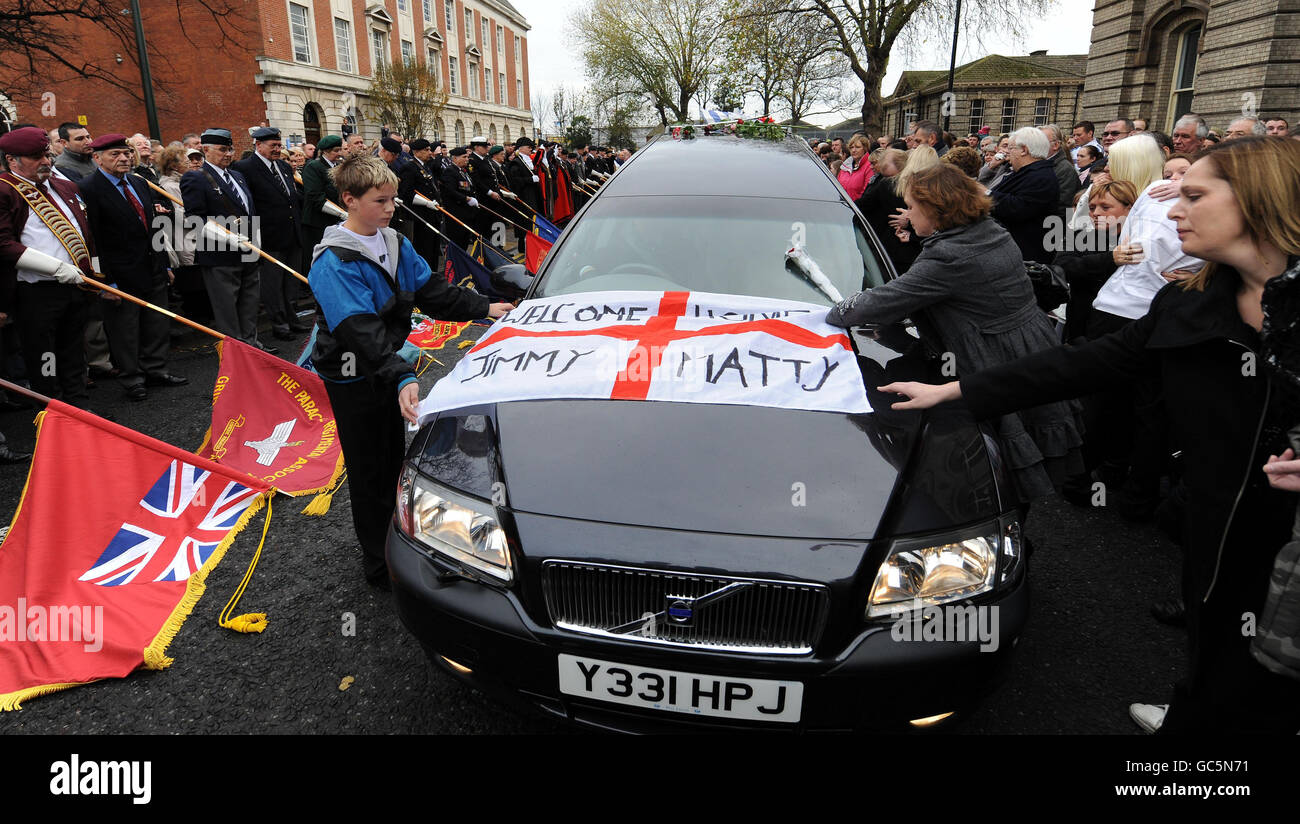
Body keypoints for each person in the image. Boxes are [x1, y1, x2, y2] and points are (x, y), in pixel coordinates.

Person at [879, 136, 1300, 734]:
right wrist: (957, 391)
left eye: (1195, 195)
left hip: (1286, 536)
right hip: (1212, 522)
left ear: (1260, 202)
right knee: (1219, 630)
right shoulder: (1189, 304)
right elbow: (1089, 363)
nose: (1173, 208)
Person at [307, 154, 514, 588]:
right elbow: (359, 331)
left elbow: (432, 291)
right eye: (380, 201)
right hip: (353, 373)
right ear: (349, 200)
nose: (390, 208)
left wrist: (484, 308)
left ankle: (403, 536)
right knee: (369, 468)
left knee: (397, 458)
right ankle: (379, 563)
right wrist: (401, 375)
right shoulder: (333, 261)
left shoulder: (394, 241)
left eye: (393, 200)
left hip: (387, 365)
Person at [829, 163, 1083, 504]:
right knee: (1027, 437)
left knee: (999, 454)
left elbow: (879, 303)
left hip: (994, 353)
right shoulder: (987, 229)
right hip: (1029, 342)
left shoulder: (950, 256)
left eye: (913, 207)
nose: (907, 213)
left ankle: (996, 526)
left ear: (935, 211)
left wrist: (836, 310)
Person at [78, 133, 187, 401]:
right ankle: (132, 378)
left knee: (156, 324)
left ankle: (156, 370)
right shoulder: (89, 188)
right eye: (115, 154)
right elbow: (94, 240)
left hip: (152, 267)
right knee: (125, 330)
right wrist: (106, 282)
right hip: (119, 274)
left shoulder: (138, 183)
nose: (124, 158)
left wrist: (164, 265)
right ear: (97, 158)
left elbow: (153, 227)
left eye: (126, 153)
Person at [0, 127, 97, 411]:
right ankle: (52, 406)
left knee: (73, 348)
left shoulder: (64, 186)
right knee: (45, 354)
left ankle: (78, 406)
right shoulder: (6, 190)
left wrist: (95, 272)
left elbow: (87, 234)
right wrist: (55, 268)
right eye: (35, 157)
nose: (46, 161)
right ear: (12, 161)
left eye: (45, 154)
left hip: (74, 284)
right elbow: (3, 244)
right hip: (36, 290)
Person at [181, 127, 269, 351]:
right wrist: (229, 238)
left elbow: (250, 210)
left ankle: (251, 345)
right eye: (222, 150)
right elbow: (196, 218)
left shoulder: (238, 176)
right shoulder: (195, 178)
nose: (228, 154)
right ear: (205, 150)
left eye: (230, 149)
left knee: (250, 303)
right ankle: (235, 352)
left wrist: (255, 243)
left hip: (248, 250)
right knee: (227, 308)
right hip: (220, 255)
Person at [232, 126, 309, 341]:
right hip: (269, 236)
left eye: (278, 145)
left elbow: (291, 198)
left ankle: (293, 318)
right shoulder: (245, 168)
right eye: (272, 145)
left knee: (291, 280)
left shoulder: (284, 166)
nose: (277, 149)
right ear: (258, 145)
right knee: (273, 284)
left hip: (292, 233)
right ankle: (279, 323)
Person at [989, 127, 1060, 263]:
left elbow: (1018, 207)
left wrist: (986, 194)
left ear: (1024, 150)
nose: (1007, 154)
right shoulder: (1025, 172)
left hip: (1024, 254)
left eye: (1010, 148)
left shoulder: (1041, 177)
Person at [301, 134, 346, 256]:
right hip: (317, 223)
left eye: (340, 149)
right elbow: (315, 197)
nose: (340, 153)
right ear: (325, 151)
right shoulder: (313, 167)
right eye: (336, 151)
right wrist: (342, 213)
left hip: (335, 221)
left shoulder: (339, 167)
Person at [835, 134, 873, 201]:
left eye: (857, 147)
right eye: (851, 147)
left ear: (865, 148)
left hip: (859, 208)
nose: (854, 150)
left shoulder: (869, 166)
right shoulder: (845, 166)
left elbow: (867, 193)